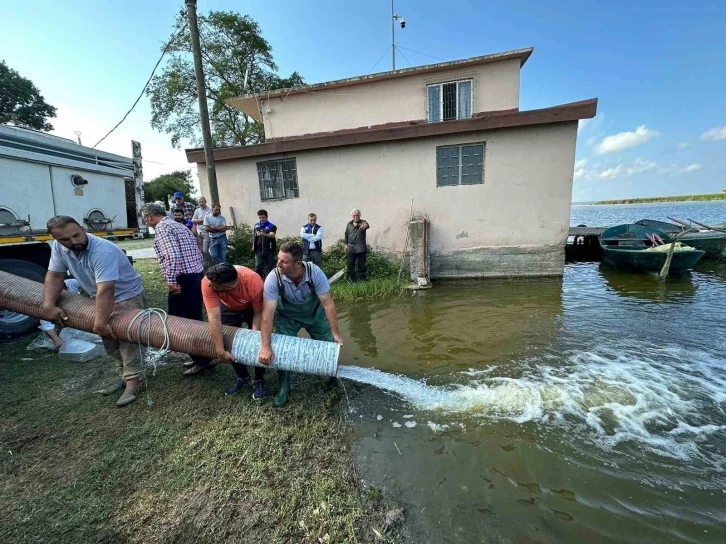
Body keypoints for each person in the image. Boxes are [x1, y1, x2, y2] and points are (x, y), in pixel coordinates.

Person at [41, 216, 147, 407]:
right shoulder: (59, 247)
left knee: (128, 338)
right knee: (109, 339)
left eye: (76, 235)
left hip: (126, 295)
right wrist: (48, 303)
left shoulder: (103, 251)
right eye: (65, 239)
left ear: (82, 228)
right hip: (97, 295)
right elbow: (55, 274)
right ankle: (125, 376)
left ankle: (133, 382)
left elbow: (107, 289)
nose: (73, 242)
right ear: (55, 239)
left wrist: (100, 321)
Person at [257, 242, 344, 406]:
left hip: (314, 314)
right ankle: (285, 385)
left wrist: (336, 333)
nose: (278, 264)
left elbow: (328, 304)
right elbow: (267, 315)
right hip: (288, 317)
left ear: (298, 263)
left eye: (284, 261)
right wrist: (266, 346)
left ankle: (332, 377)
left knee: (329, 344)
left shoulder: (314, 272)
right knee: (281, 348)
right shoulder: (273, 278)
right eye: (278, 259)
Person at [140, 202, 212, 376]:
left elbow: (172, 256)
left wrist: (172, 282)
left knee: (180, 322)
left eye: (144, 219)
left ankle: (201, 359)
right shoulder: (178, 226)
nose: (146, 222)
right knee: (194, 317)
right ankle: (201, 357)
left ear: (149, 216)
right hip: (194, 276)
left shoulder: (163, 228)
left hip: (182, 279)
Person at [202, 263, 267, 399]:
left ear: (228, 287)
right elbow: (214, 318)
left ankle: (259, 379)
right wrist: (219, 349)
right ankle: (243, 377)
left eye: (214, 286)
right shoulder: (208, 282)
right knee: (227, 341)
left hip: (252, 308)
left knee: (259, 341)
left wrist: (253, 336)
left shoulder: (253, 281)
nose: (209, 286)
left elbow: (258, 313)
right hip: (228, 307)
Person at [38, 278, 81, 348]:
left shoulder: (72, 283)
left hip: (77, 306)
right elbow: (45, 323)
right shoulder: (49, 300)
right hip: (62, 315)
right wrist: (56, 339)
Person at [344, 208, 370, 282]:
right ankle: (350, 281)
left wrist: (363, 226)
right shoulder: (349, 224)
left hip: (361, 248)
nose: (355, 217)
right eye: (354, 215)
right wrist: (346, 245)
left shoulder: (363, 222)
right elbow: (346, 234)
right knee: (350, 266)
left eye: (357, 215)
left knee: (362, 266)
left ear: (360, 216)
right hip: (351, 248)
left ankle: (363, 281)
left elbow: (366, 225)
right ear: (351, 216)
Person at [253, 209, 277, 277]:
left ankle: (272, 280)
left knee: (270, 267)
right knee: (258, 266)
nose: (261, 219)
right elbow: (254, 236)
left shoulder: (272, 226)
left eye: (263, 217)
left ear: (266, 217)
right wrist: (253, 245)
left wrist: (263, 234)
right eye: (260, 217)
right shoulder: (256, 225)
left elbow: (272, 235)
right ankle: (258, 281)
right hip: (259, 250)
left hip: (269, 250)